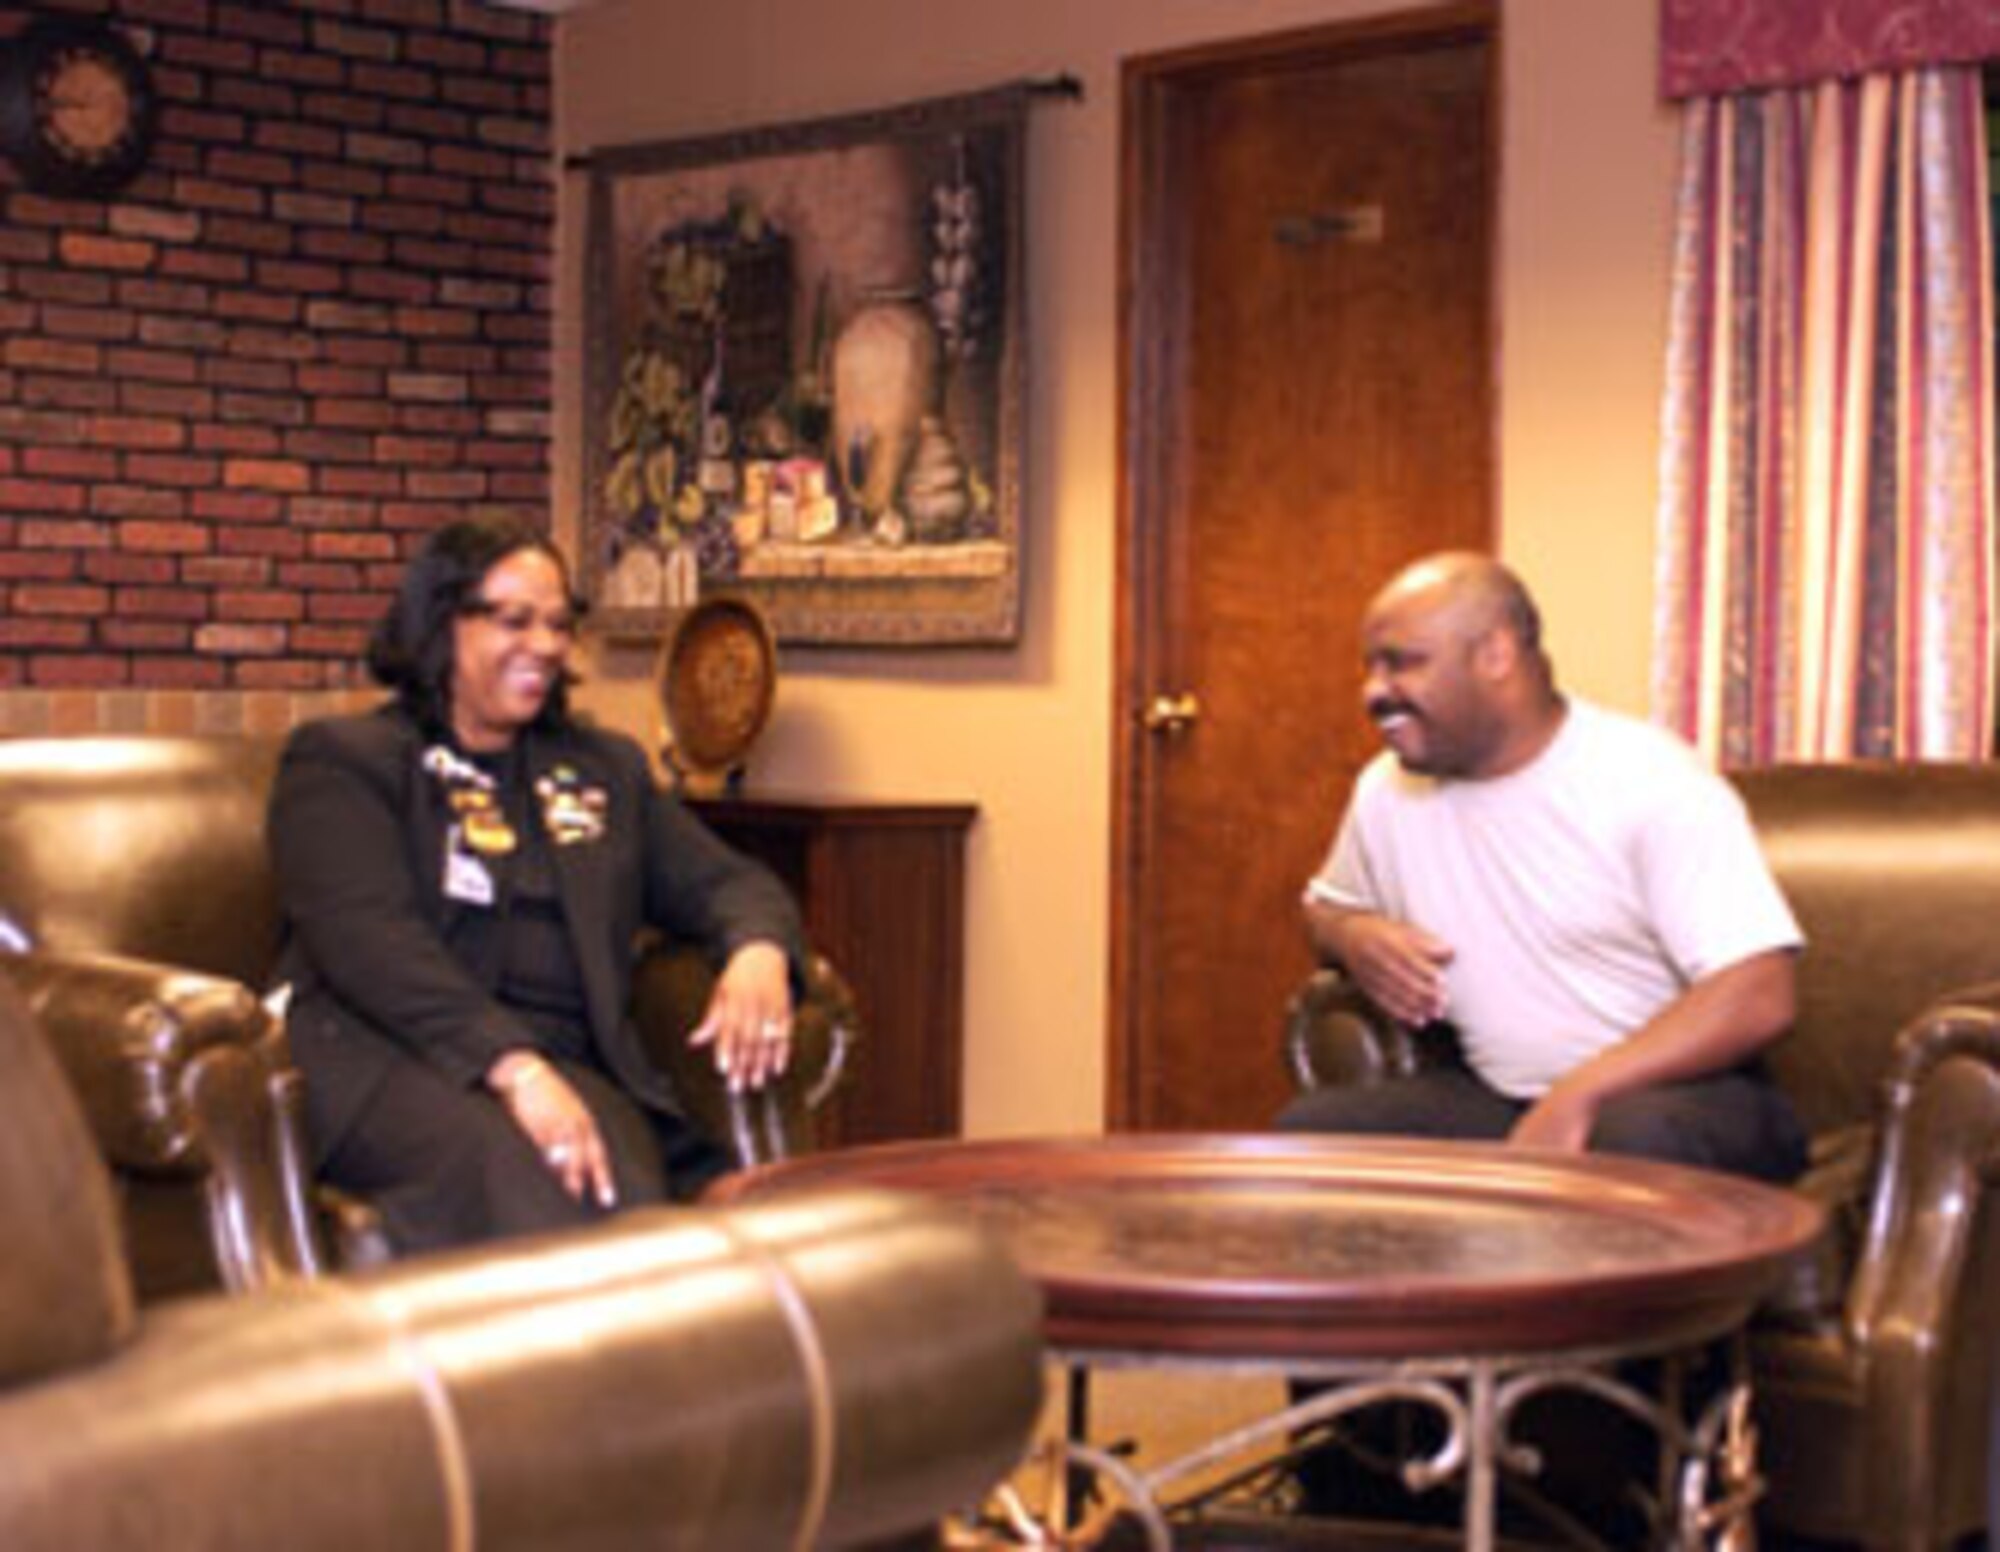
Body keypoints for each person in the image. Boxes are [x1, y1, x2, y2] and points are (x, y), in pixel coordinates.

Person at [268, 514, 807, 1254]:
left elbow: (730, 883)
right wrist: (513, 1067)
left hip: (562, 1061)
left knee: (608, 1176)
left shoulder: (600, 768)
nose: (546, 646)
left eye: (559, 624)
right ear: (440, 624)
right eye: (515, 621)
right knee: (522, 1171)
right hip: (382, 1053)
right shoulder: (346, 763)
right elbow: (368, 944)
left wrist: (757, 952)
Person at [1278, 550, 1807, 1181]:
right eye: (1370, 668)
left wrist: (1580, 1096)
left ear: (1496, 655)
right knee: (1315, 1136)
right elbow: (1325, 906)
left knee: (1628, 1136)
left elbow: (1759, 994)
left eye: (1404, 663)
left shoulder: (1648, 779)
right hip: (1503, 1096)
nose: (1375, 692)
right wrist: (1351, 934)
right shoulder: (1386, 791)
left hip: (1692, 1096)